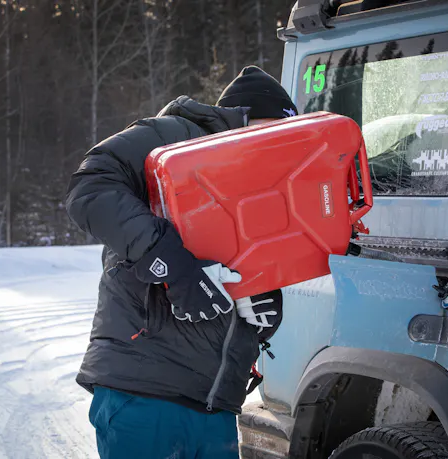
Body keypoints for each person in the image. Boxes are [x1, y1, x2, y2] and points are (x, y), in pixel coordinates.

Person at [65, 66, 298, 459]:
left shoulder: (256, 185)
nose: (277, 147)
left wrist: (258, 310)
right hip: (146, 393)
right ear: (245, 116)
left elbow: (227, 266)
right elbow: (91, 188)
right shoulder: (177, 136)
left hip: (215, 404)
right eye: (273, 129)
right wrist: (172, 265)